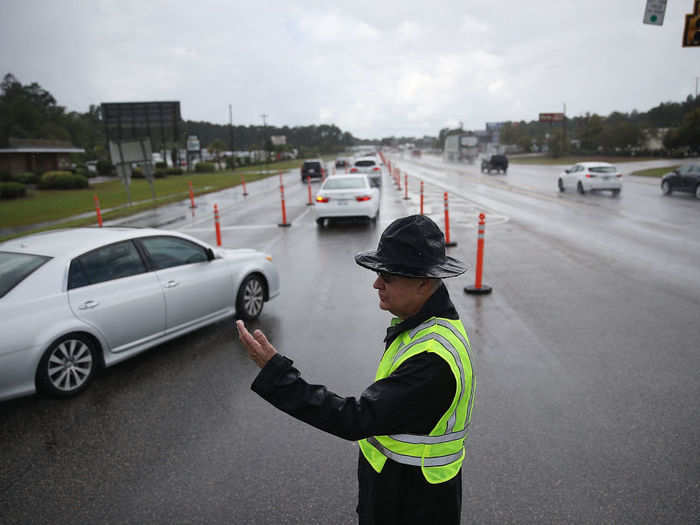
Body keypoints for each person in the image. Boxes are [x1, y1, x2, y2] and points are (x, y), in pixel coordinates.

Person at [236, 214, 475, 525]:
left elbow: (355, 418)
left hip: (413, 501)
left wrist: (277, 374)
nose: (376, 283)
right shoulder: (428, 326)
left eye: (387, 276)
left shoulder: (431, 359)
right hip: (405, 489)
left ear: (423, 283)